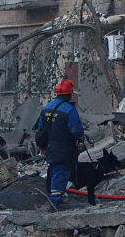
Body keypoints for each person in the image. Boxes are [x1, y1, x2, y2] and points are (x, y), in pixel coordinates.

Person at [36, 79, 85, 208]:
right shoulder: (69, 110)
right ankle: (56, 202)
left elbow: (40, 130)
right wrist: (81, 139)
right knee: (61, 173)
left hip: (49, 148)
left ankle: (53, 197)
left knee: (54, 170)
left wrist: (42, 148)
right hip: (64, 149)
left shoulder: (46, 108)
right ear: (69, 95)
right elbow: (76, 131)